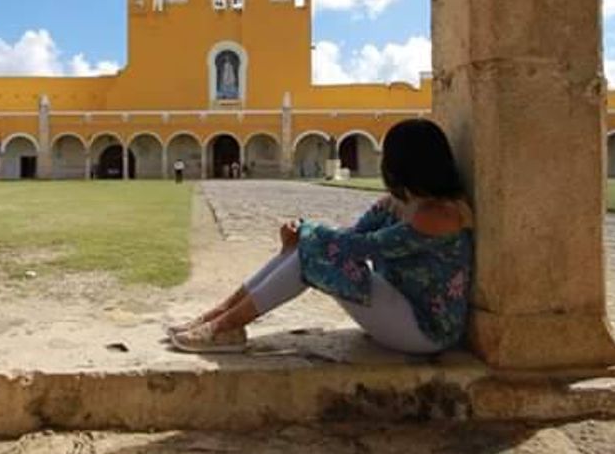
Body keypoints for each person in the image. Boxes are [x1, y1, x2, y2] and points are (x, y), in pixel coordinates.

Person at [167, 118, 473, 355]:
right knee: (306, 247)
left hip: (425, 330)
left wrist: (308, 232)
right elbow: (351, 237)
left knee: (309, 249)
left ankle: (226, 327)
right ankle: (219, 316)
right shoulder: (396, 203)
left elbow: (364, 248)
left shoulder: (440, 215)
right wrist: (303, 237)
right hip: (397, 309)